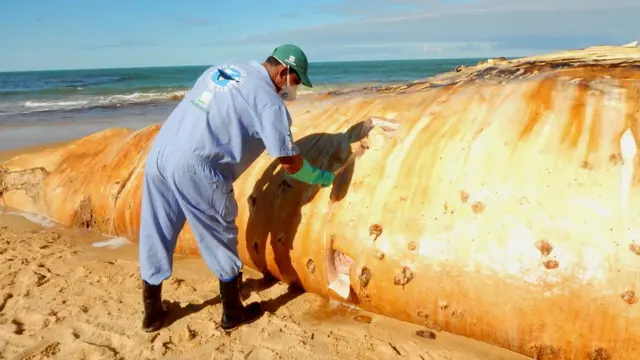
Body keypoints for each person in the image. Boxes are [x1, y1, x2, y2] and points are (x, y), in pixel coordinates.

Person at [138, 44, 335, 332]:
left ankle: (152, 313)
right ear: (284, 71)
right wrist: (321, 177)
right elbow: (289, 161)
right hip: (197, 165)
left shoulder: (227, 68)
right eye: (295, 82)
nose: (294, 89)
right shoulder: (268, 100)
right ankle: (232, 313)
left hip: (159, 154)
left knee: (156, 229)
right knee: (220, 233)